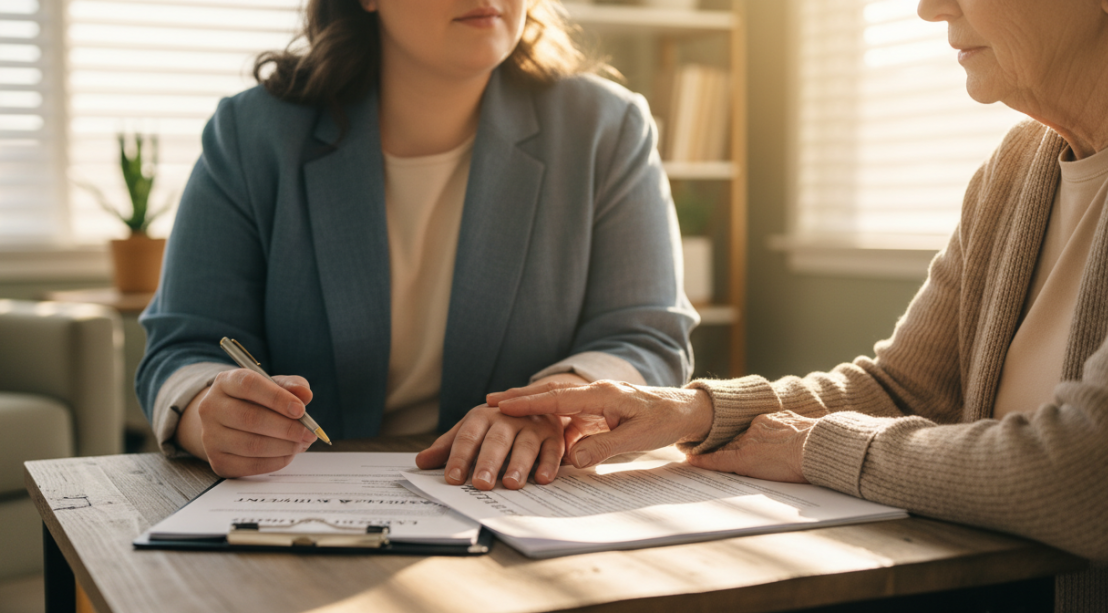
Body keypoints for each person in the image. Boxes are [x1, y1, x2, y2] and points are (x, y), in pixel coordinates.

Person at [488, 0, 1108, 609]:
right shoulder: (1018, 167)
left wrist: (818, 447)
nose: (930, 8)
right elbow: (902, 389)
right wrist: (696, 411)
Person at [136, 0, 697, 486]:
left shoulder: (606, 127)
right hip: (300, 500)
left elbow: (646, 339)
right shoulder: (252, 134)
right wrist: (209, 412)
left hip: (518, 495)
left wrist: (555, 403)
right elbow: (185, 347)